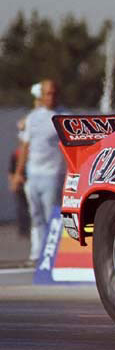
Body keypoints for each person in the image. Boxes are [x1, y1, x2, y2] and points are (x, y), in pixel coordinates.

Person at [10, 80, 66, 267]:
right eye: (47, 94)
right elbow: (25, 146)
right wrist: (18, 173)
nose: (50, 97)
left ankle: (52, 255)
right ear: (42, 96)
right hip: (33, 174)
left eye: (53, 93)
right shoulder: (33, 118)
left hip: (53, 174)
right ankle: (36, 254)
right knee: (36, 216)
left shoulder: (64, 117)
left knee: (52, 215)